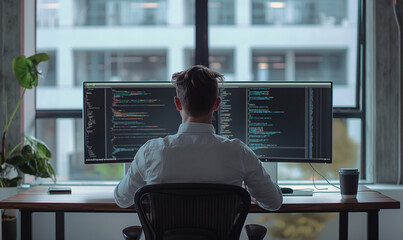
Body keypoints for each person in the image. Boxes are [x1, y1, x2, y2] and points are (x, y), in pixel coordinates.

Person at [114, 65, 283, 210]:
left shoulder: (150, 152)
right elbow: (274, 203)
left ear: (177, 103)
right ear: (217, 104)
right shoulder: (239, 153)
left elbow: (122, 200)